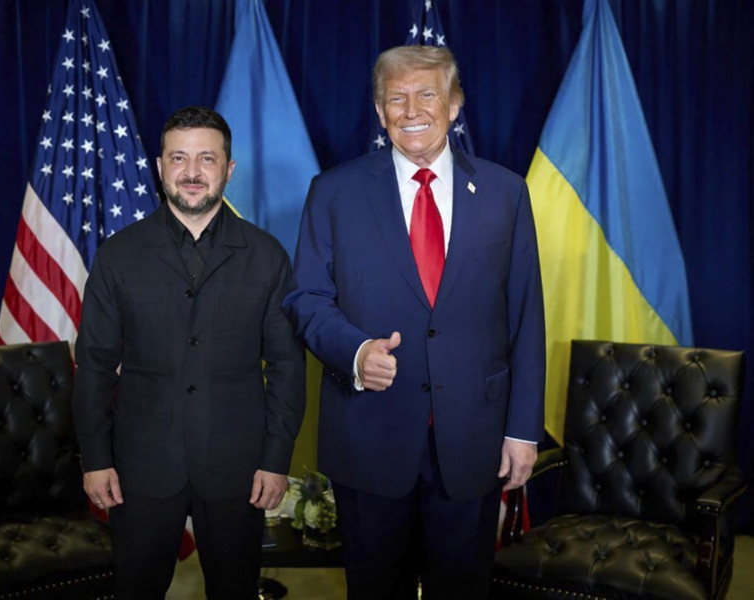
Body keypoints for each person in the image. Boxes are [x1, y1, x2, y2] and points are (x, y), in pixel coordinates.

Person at [282, 45, 545, 599]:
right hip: (369, 436)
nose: (411, 110)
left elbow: (525, 316)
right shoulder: (333, 191)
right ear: (380, 111)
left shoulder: (505, 192)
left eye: (427, 94)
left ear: (455, 105)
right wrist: (356, 353)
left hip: (473, 440)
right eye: (396, 98)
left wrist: (522, 430)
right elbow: (306, 298)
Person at [73, 105, 306, 599]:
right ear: (160, 167)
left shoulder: (267, 257)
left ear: (228, 168)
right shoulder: (118, 255)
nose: (192, 172)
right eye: (179, 158)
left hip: (239, 468)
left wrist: (276, 459)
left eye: (207, 158)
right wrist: (95, 458)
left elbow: (287, 366)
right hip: (140, 466)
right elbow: (94, 365)